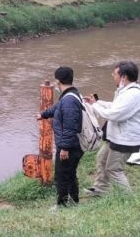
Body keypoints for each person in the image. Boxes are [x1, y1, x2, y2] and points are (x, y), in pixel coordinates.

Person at [84, 61, 140, 195]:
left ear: (123, 77)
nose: (112, 76)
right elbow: (115, 106)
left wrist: (95, 107)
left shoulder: (132, 94)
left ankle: (127, 198)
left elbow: (115, 114)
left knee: (113, 169)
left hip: (125, 140)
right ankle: (101, 189)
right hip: (116, 137)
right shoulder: (125, 91)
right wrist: (98, 103)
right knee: (101, 159)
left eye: (115, 74)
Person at [37, 66, 84, 207]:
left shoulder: (68, 100)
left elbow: (70, 127)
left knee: (62, 176)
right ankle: (73, 201)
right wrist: (43, 114)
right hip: (72, 145)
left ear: (58, 81)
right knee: (69, 174)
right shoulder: (71, 94)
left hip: (69, 147)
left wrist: (64, 148)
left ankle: (62, 205)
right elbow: (58, 108)